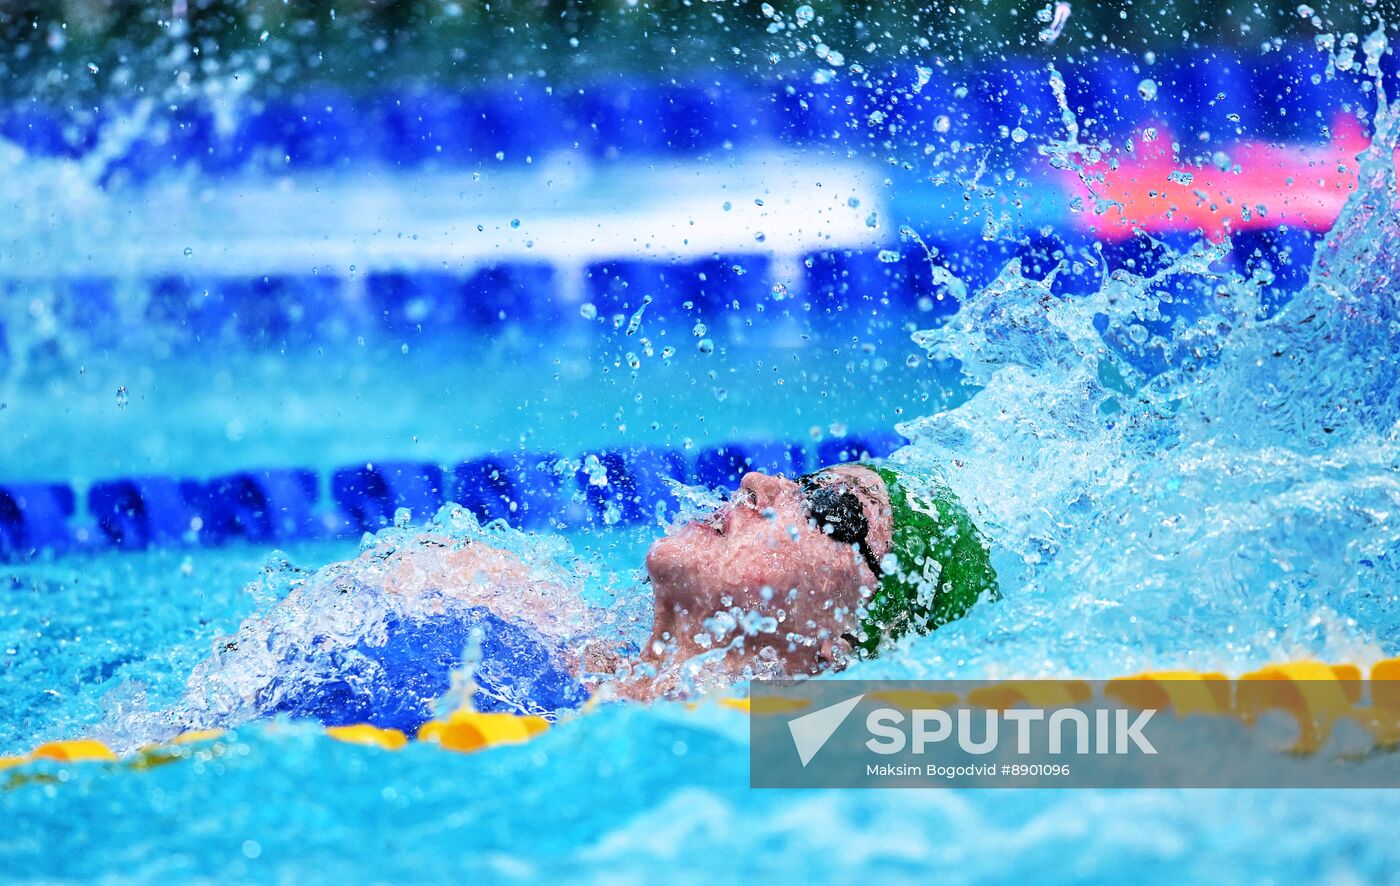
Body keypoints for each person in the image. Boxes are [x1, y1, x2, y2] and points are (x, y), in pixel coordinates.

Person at [178, 456, 998, 736]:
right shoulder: (485, 586)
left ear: (841, 644)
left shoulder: (714, 769)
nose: (760, 481)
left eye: (830, 509)